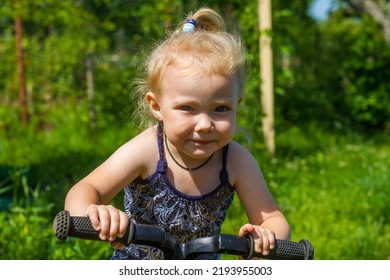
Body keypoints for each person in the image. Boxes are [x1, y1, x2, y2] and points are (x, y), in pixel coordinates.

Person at [64, 7, 291, 260]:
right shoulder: (147, 151)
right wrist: (95, 214)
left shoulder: (236, 160)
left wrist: (265, 236)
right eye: (187, 108)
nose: (205, 124)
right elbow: (84, 189)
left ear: (237, 106)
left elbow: (273, 219)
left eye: (221, 109)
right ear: (157, 106)